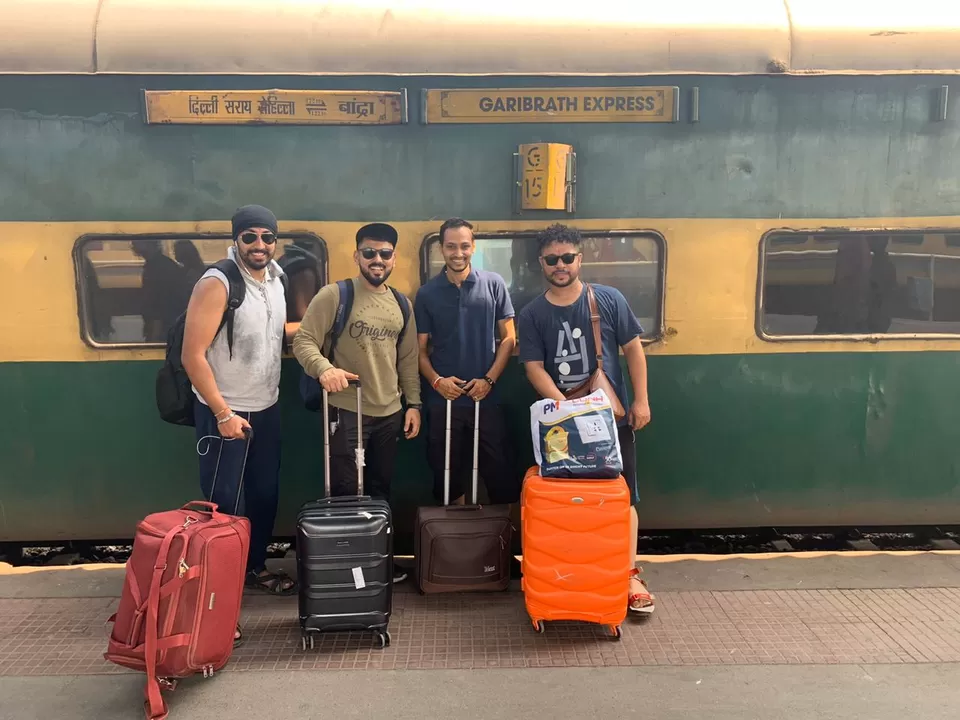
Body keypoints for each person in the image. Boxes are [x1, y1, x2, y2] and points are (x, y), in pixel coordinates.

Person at [517, 223, 656, 616]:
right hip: (561, 426)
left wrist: (641, 401)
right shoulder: (532, 313)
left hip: (610, 421)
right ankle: (575, 574)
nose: (560, 265)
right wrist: (567, 407)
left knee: (621, 495)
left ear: (580, 258)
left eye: (567, 258)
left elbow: (633, 350)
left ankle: (628, 575)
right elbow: (533, 367)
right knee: (567, 501)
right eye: (551, 259)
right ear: (541, 263)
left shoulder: (608, 299)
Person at [181, 205, 301, 646]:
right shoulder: (217, 282)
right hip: (226, 411)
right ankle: (215, 593)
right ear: (236, 241)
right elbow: (193, 355)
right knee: (223, 503)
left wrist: (323, 326)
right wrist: (223, 413)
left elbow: (276, 329)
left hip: (265, 406)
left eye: (267, 238)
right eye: (250, 237)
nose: (260, 246)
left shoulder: (276, 277)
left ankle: (253, 570)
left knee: (265, 495)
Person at [293, 222, 422, 583]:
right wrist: (324, 369)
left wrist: (414, 404)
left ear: (394, 258)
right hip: (346, 410)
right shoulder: (334, 295)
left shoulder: (401, 304)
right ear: (357, 256)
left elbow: (408, 360)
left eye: (384, 254)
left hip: (389, 413)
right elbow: (303, 342)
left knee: (380, 490)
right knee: (346, 491)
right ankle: (347, 570)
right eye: (369, 253)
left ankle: (377, 564)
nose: (376, 260)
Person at [414, 218, 520, 513]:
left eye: (464, 246)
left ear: (473, 247)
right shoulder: (426, 294)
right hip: (444, 401)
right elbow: (419, 351)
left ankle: (501, 546)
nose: (457, 253)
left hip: (486, 398)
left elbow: (509, 338)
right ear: (441, 248)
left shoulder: (494, 284)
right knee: (448, 476)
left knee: (500, 470)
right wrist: (437, 382)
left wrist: (489, 380)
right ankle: (457, 547)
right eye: (451, 246)